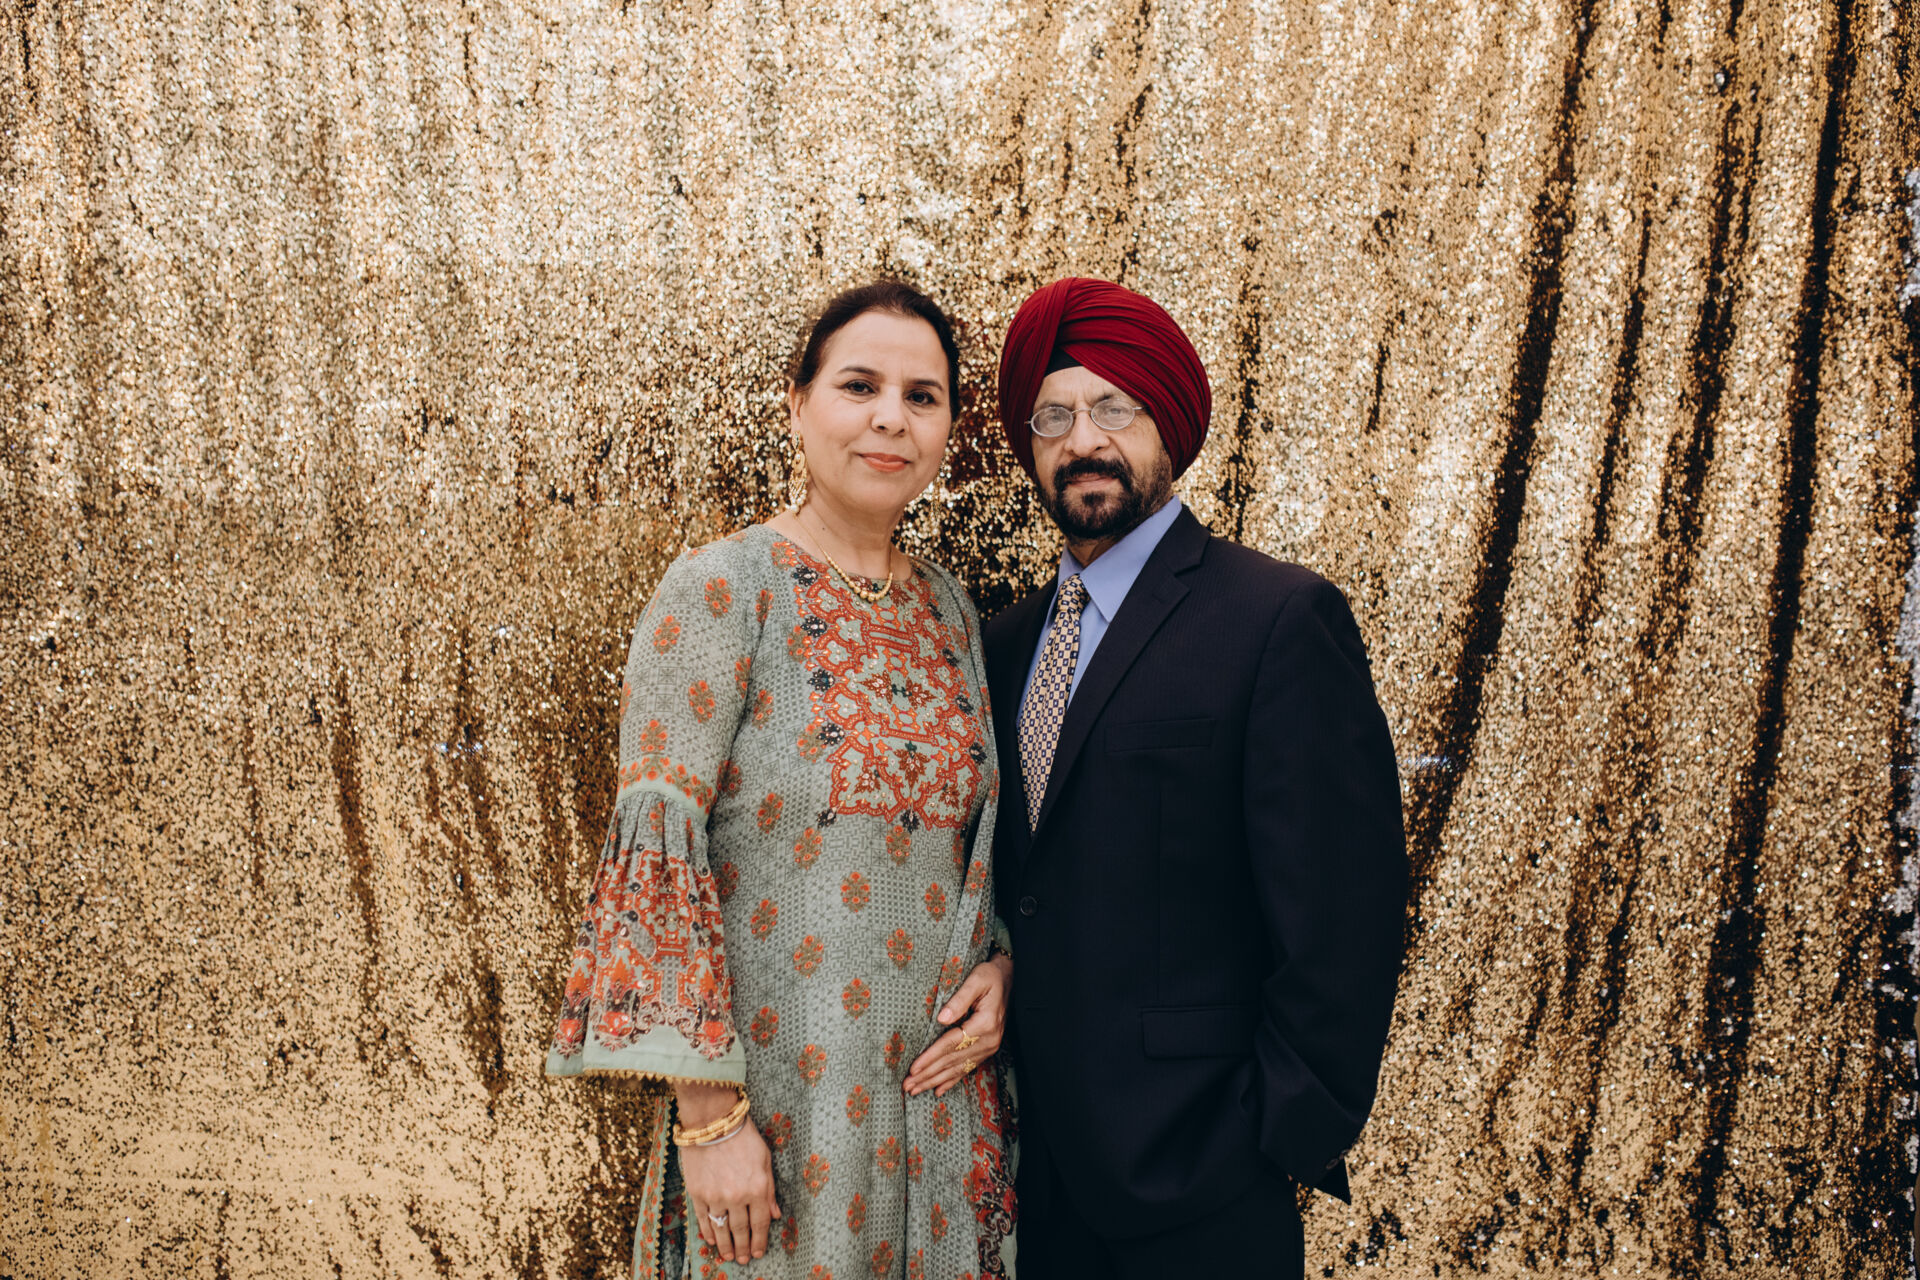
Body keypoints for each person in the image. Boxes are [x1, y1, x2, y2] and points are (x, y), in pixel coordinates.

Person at [546, 280, 1017, 1280]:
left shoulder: (950, 612)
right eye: (860, 386)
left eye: (923, 396)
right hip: (780, 1123)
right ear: (797, 405)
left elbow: (975, 855)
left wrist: (1005, 971)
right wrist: (710, 1121)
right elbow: (658, 850)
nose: (891, 417)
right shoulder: (723, 587)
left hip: (944, 1122)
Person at [983, 277, 1408, 1278]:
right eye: (1053, 416)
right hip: (1025, 1186)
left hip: (1203, 1186)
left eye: (1114, 407)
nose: (1083, 440)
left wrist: (1271, 1136)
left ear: (1168, 427)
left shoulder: (1277, 619)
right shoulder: (1001, 643)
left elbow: (1346, 913)